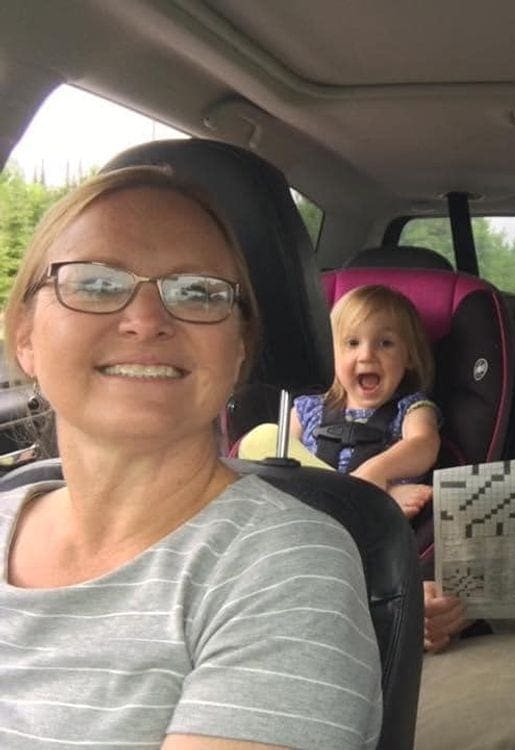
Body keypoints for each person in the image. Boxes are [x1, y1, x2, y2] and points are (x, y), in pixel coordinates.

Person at [0, 166, 382, 748]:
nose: (147, 321)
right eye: (97, 283)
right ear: (24, 335)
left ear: (239, 349)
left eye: (198, 291)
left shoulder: (287, 566)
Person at [289, 283, 440, 519]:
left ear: (409, 356)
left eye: (385, 343)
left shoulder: (411, 408)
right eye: (352, 343)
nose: (367, 355)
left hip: (372, 513)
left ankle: (382, 500)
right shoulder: (307, 409)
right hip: (310, 504)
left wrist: (377, 471)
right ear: (330, 353)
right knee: (264, 437)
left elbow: (425, 444)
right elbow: (281, 455)